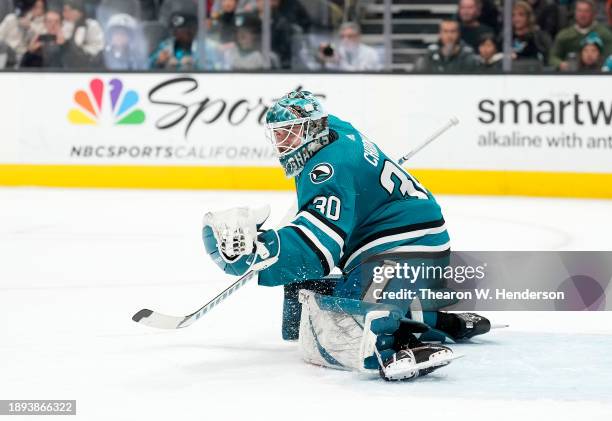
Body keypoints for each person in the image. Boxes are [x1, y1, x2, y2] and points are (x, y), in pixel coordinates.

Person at [201, 91, 492, 381]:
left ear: (311, 129)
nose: (281, 144)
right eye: (277, 135)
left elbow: (317, 251)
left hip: (410, 244)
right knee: (309, 296)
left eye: (288, 134)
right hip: (397, 232)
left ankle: (400, 347)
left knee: (350, 321)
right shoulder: (335, 129)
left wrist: (261, 252)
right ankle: (444, 322)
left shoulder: (328, 171)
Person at [549, 0, 612, 70]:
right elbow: (552, 58)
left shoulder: (605, 35)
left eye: (586, 11)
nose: (582, 14)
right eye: (579, 11)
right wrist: (561, 64)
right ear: (575, 13)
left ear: (594, 13)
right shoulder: (564, 36)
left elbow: (610, 57)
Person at [150, 11, 224, 70]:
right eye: (174, 30)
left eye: (182, 31)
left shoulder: (208, 47)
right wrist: (158, 62)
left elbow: (219, 70)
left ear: (192, 30)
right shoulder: (166, 45)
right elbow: (146, 66)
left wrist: (194, 65)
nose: (176, 34)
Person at [317, 22, 382, 71]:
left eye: (350, 36)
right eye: (342, 36)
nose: (345, 40)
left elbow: (361, 73)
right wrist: (326, 60)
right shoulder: (335, 51)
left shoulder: (370, 53)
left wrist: (340, 62)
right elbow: (329, 72)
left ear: (358, 36)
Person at [511, 1, 552, 65]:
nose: (516, 19)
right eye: (513, 15)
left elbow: (544, 58)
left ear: (528, 17)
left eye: (521, 15)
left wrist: (518, 57)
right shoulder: (506, 36)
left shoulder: (539, 37)